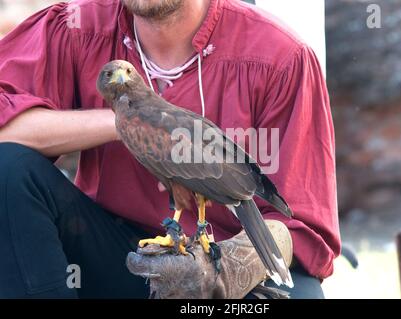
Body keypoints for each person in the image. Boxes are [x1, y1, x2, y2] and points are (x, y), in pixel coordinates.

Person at [0, 0, 340, 298]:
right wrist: (128, 122)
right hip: (115, 256)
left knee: (299, 296)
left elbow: (305, 226)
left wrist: (226, 271)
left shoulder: (279, 57)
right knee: (9, 169)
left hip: (222, 261)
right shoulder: (75, 28)